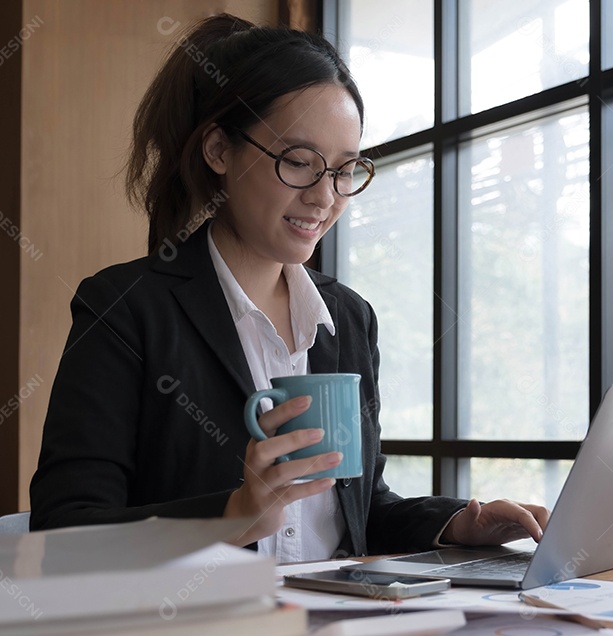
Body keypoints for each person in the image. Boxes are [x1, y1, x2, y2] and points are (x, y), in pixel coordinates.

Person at [29, 13, 549, 560]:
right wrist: (231, 517)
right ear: (219, 151)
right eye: (300, 162)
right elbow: (65, 535)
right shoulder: (125, 310)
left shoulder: (348, 317)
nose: (325, 197)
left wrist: (459, 525)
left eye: (345, 170)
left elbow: (359, 508)